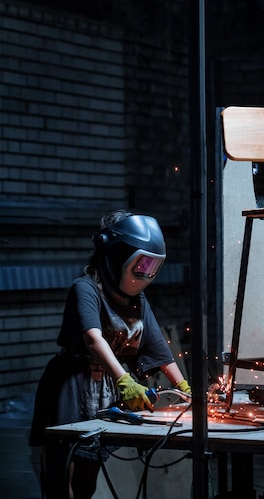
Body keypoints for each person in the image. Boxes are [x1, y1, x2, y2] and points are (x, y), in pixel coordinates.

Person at [29, 209, 191, 499]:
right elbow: (93, 338)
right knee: (60, 473)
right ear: (117, 255)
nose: (145, 271)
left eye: (152, 265)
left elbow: (160, 349)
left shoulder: (137, 299)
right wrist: (125, 381)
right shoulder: (85, 288)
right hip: (71, 388)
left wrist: (184, 388)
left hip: (105, 390)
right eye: (141, 262)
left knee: (87, 477)